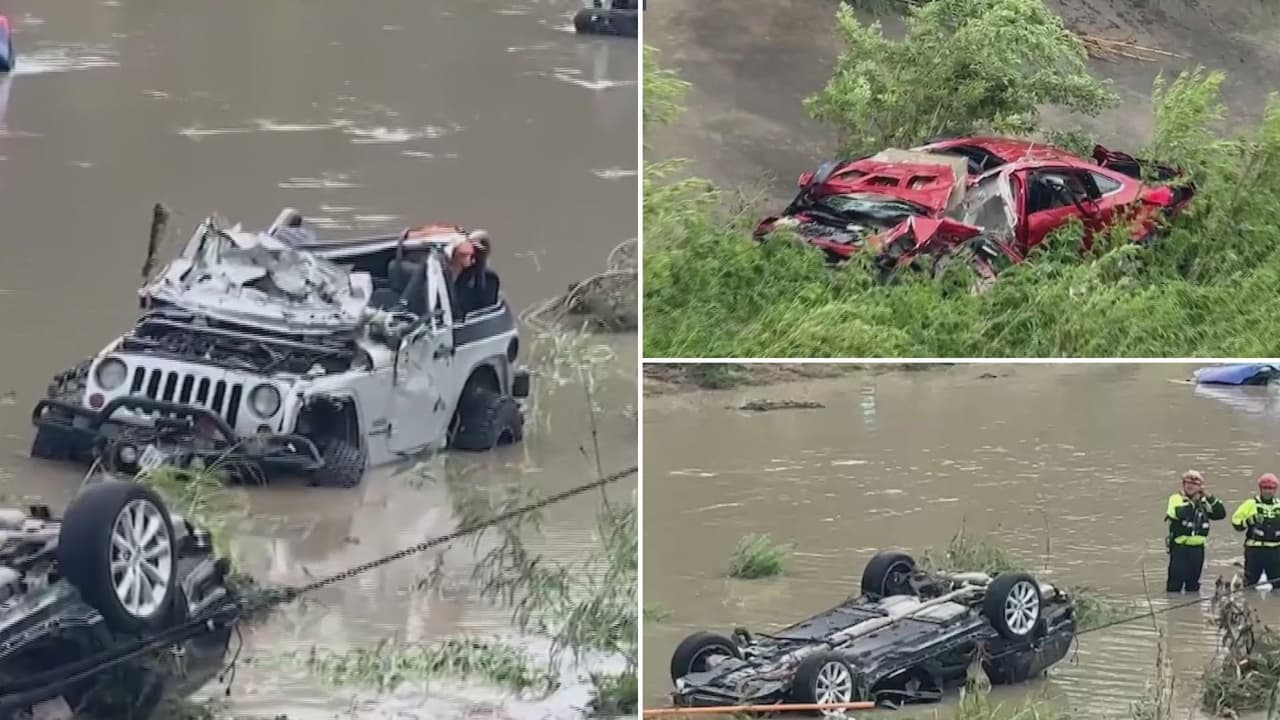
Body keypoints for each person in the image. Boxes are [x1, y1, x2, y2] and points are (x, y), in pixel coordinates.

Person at [1165, 470, 1226, 592]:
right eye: (1188, 483)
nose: (1191, 486)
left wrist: (1209, 496)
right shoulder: (1176, 498)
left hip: (1197, 549)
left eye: (1195, 484)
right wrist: (1194, 502)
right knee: (1174, 584)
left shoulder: (1204, 502)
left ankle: (1192, 609)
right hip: (1180, 548)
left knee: (1193, 585)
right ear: (1183, 484)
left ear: (1200, 487)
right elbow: (1179, 513)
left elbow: (1220, 513)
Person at [1231, 473, 1280, 586]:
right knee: (1249, 584)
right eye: (1265, 488)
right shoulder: (1250, 504)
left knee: (1278, 586)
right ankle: (1249, 603)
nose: (1268, 491)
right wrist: (1248, 521)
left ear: (1275, 489)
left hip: (1276, 551)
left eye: (1271, 488)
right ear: (1260, 488)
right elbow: (1236, 522)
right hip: (1255, 550)